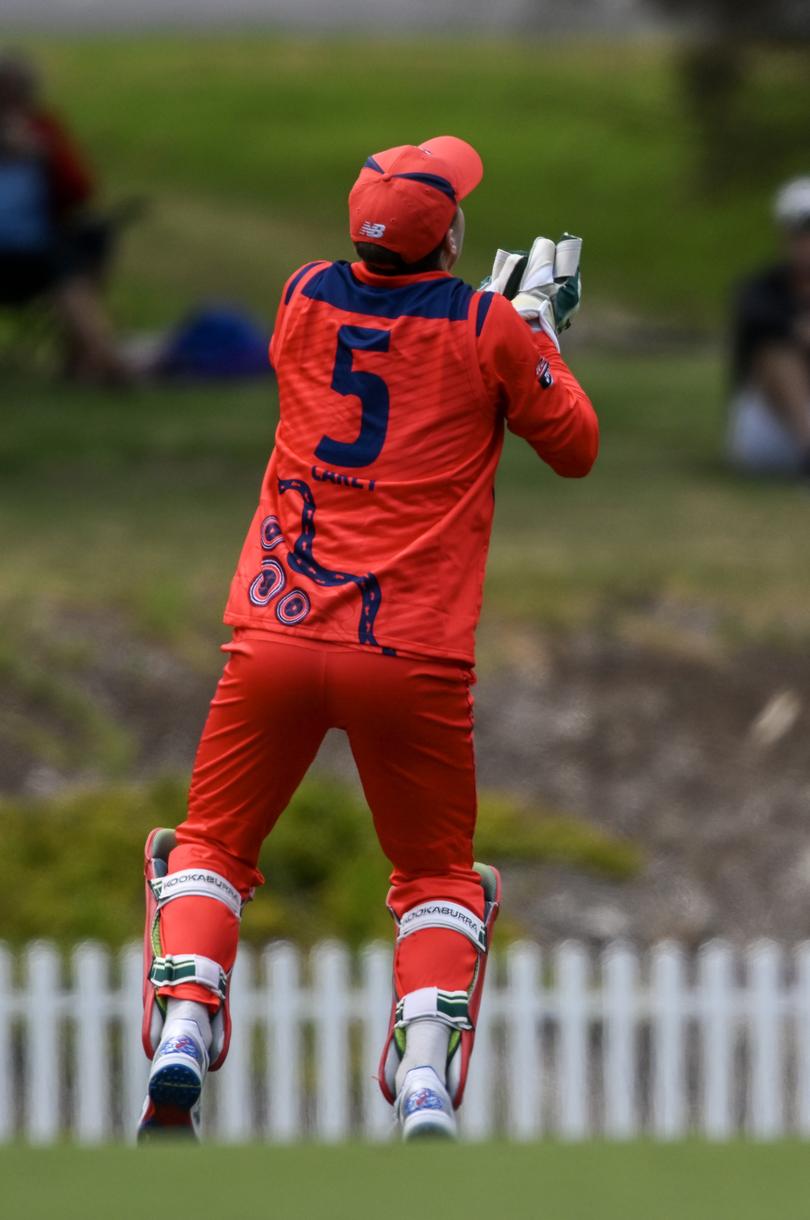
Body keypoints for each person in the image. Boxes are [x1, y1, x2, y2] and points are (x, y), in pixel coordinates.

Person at [137, 136, 598, 1142]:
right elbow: (575, 446)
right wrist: (541, 339)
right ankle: (424, 1078)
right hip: (411, 652)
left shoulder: (302, 296)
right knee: (436, 873)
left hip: (277, 629)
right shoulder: (487, 327)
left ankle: (182, 1027)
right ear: (452, 234)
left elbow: (384, 345)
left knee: (213, 845)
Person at [0, 50, 129, 382]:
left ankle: (91, 360)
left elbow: (82, 191)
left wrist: (46, 156)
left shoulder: (43, 130)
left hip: (36, 251)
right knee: (63, 264)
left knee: (76, 257)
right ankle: (106, 361)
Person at [727, 176, 810, 477]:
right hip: (772, 427)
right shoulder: (761, 290)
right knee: (777, 353)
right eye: (801, 233)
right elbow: (760, 323)